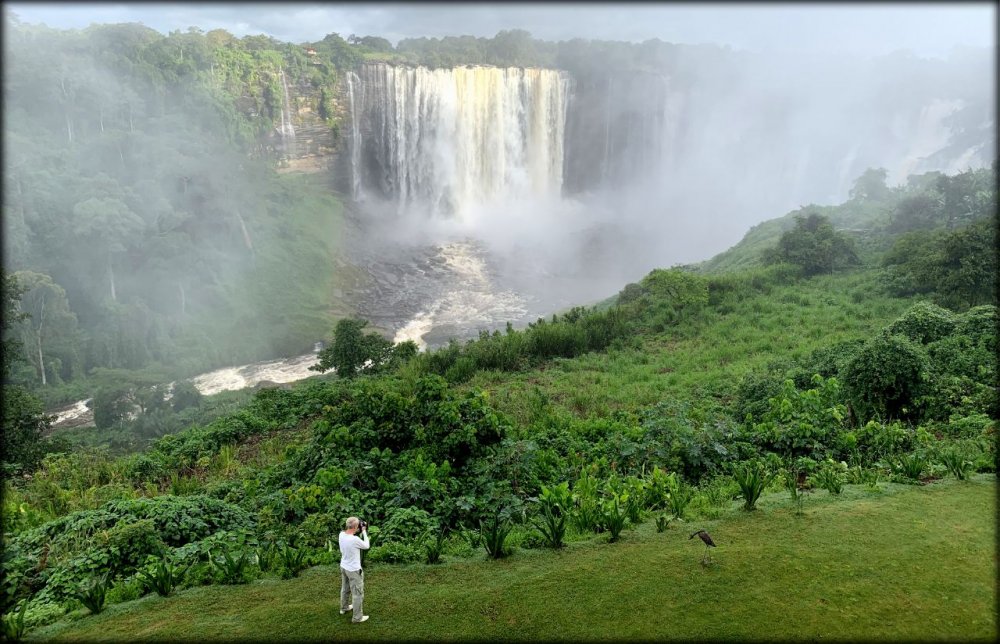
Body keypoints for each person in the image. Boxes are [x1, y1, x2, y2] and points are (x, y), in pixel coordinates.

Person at [339, 516, 370, 623]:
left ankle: (344, 608)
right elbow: (366, 545)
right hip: (354, 570)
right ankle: (357, 617)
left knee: (345, 588)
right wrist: (364, 531)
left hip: (344, 566)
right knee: (357, 593)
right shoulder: (354, 539)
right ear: (356, 527)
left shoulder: (341, 534)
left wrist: (358, 530)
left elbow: (352, 533)